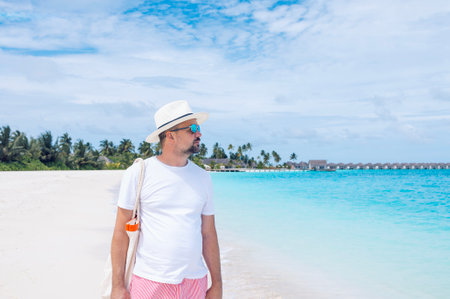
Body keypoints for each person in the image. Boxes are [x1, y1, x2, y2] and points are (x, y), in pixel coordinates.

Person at [110, 100, 222, 299]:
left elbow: (208, 234)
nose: (199, 134)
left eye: (199, 128)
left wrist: (217, 283)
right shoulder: (138, 173)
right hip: (150, 281)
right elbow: (120, 232)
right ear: (170, 135)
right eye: (193, 128)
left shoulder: (203, 177)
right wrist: (118, 286)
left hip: (195, 282)